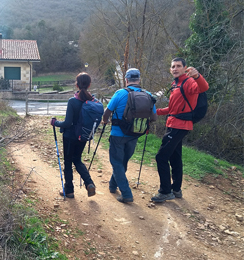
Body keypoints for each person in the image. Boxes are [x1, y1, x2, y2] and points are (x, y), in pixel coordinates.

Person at [151, 57, 209, 203]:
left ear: (185, 68)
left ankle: (165, 191)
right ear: (170, 70)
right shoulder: (176, 84)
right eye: (173, 66)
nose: (175, 69)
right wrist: (155, 112)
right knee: (175, 157)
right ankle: (176, 189)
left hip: (180, 125)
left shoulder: (189, 82)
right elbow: (172, 108)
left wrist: (197, 76)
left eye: (178, 66)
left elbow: (203, 88)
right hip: (174, 123)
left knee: (161, 157)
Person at [102, 68, 157, 203]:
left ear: (126, 80)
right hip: (134, 134)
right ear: (139, 80)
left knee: (116, 163)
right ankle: (112, 185)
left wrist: (105, 121)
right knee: (122, 162)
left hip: (117, 134)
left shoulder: (120, 93)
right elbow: (154, 117)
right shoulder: (148, 95)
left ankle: (126, 194)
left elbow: (107, 112)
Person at [50, 72, 97, 198]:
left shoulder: (73, 101)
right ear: (89, 85)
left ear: (77, 85)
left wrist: (55, 122)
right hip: (83, 136)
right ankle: (89, 183)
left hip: (70, 137)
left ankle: (69, 190)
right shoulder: (92, 101)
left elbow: (67, 123)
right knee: (77, 160)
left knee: (68, 162)